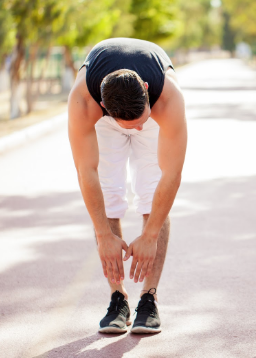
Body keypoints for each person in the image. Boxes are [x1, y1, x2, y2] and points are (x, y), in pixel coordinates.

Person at [68, 38, 186, 334]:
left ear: (146, 89)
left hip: (154, 110)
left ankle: (149, 298)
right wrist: (103, 234)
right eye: (130, 125)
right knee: (106, 198)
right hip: (108, 119)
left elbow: (171, 175)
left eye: (139, 121)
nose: (137, 128)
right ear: (104, 105)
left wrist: (150, 234)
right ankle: (117, 298)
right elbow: (86, 171)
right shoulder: (84, 102)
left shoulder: (168, 98)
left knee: (151, 193)